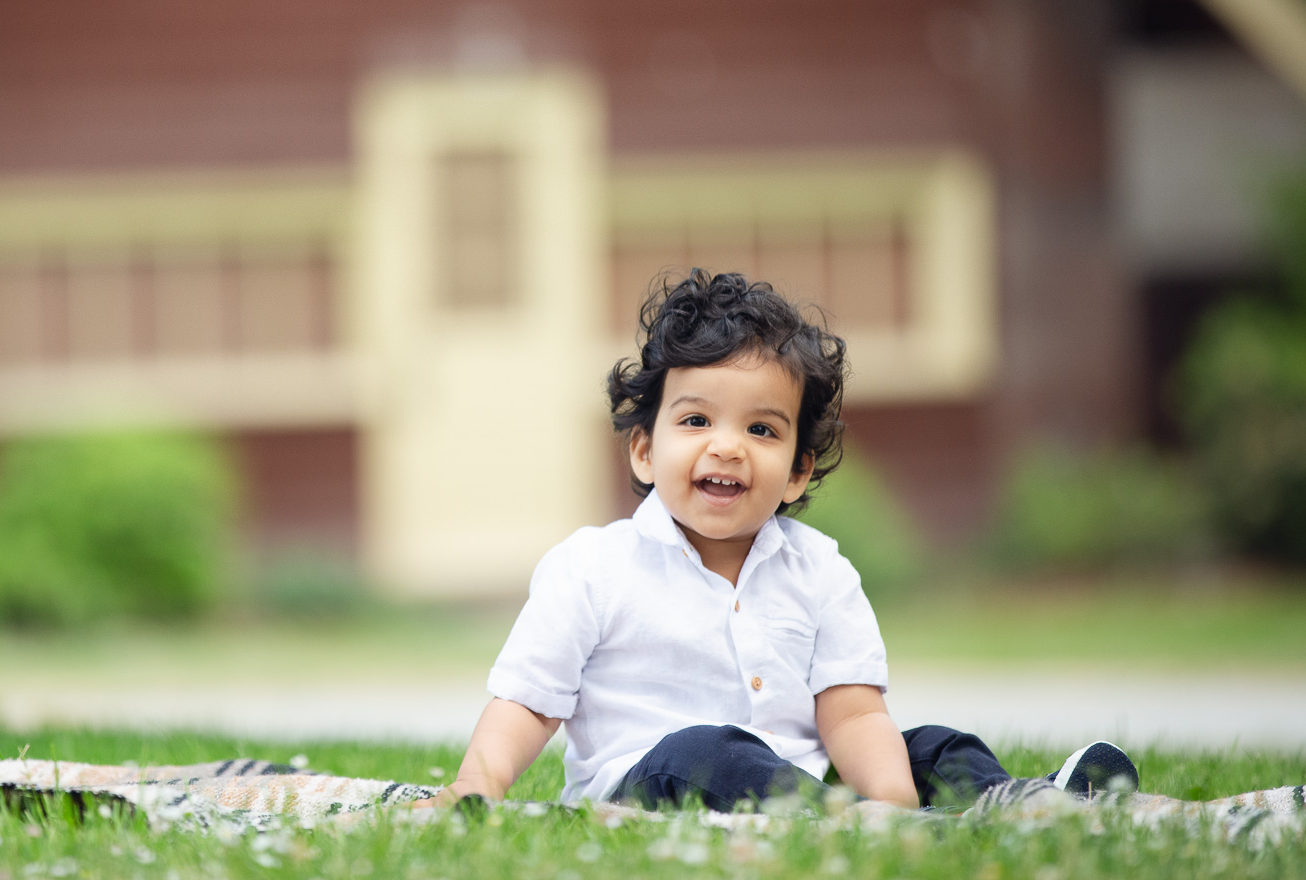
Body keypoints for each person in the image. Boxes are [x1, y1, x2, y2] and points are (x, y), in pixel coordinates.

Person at [430, 270, 1138, 813]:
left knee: (926, 746)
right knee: (710, 750)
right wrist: (478, 784)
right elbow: (528, 702)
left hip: (806, 782)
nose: (728, 447)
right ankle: (865, 821)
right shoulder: (592, 567)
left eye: (762, 430)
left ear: (798, 471)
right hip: (651, 783)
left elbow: (853, 712)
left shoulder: (820, 572)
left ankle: (1018, 803)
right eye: (697, 420)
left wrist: (887, 799)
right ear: (644, 452)